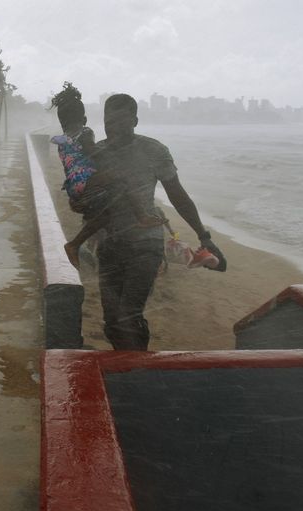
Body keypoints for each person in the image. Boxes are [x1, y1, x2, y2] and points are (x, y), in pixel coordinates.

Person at [92, 93, 227, 351]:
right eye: (109, 121)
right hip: (110, 243)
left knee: (128, 315)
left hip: (146, 243)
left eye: (121, 121)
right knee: (111, 321)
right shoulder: (98, 153)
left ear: (135, 121)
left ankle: (137, 370)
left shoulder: (153, 150)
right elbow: (89, 200)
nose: (114, 128)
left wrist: (204, 236)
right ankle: (128, 364)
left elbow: (177, 195)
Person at [49, 83, 163, 267]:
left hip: (73, 186)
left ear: (62, 122)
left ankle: (75, 244)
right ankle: (142, 216)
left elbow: (74, 159)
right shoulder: (85, 132)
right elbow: (91, 152)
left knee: (105, 213)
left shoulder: (61, 140)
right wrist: (109, 155)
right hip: (86, 180)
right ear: (84, 118)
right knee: (124, 180)